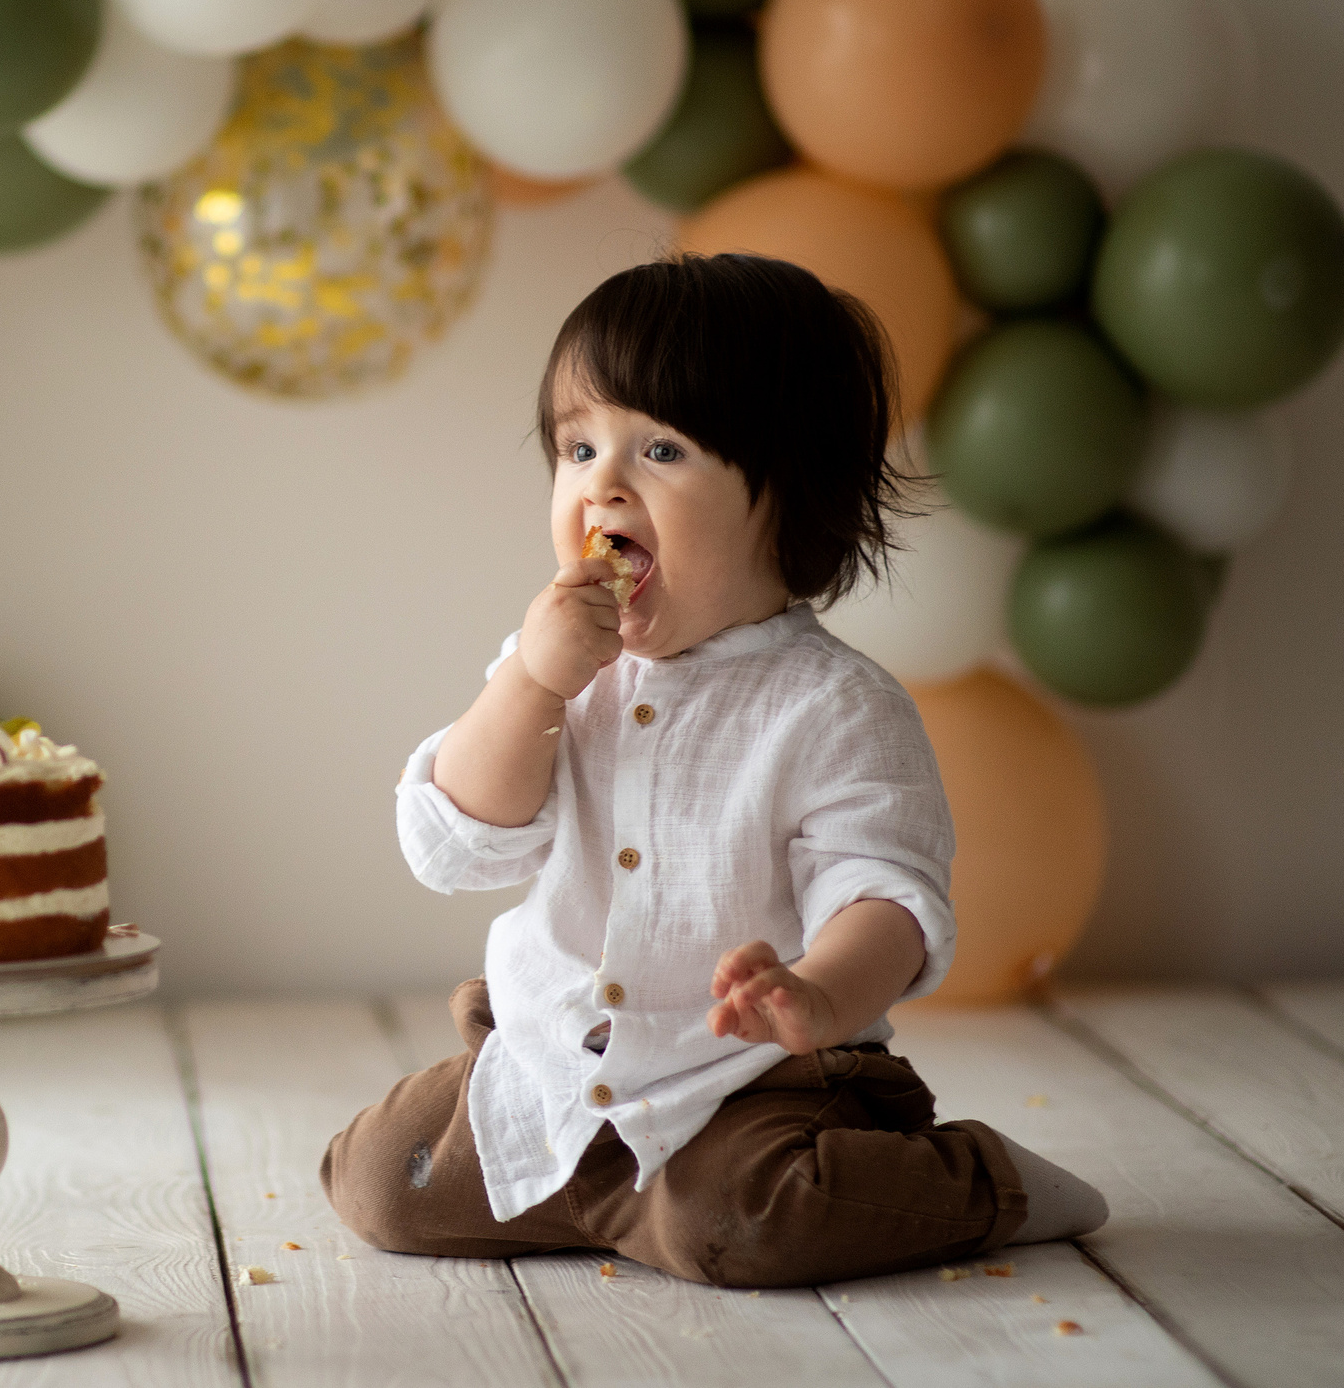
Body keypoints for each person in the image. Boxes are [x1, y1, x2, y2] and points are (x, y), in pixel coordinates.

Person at [320, 254, 1108, 1287]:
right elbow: (452, 843)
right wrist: (528, 684)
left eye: (659, 448)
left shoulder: (834, 706)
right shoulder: (555, 672)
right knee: (380, 1178)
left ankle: (983, 1182)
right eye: (577, 445)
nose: (602, 481)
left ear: (786, 495)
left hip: (751, 1085)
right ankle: (615, 1201)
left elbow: (887, 897)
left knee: (745, 1221)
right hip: (561, 1067)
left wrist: (815, 994)